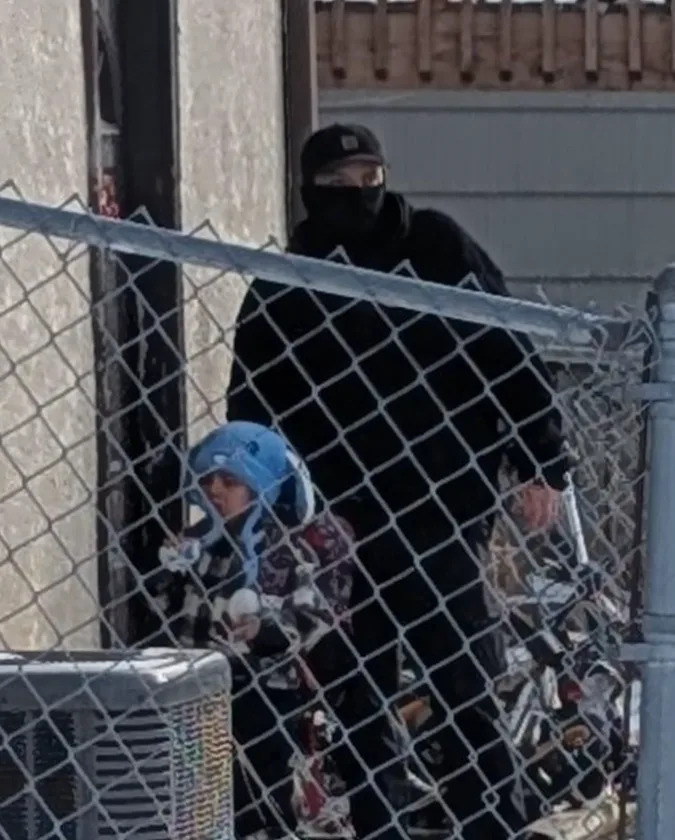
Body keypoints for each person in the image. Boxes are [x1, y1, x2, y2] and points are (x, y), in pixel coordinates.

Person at [226, 124, 570, 839]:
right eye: (338, 182)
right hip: (340, 525)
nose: (357, 192)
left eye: (367, 175)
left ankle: (488, 826)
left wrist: (543, 460)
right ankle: (381, 829)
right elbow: (252, 405)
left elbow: (505, 347)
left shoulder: (435, 248)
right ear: (308, 190)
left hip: (438, 511)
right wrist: (268, 509)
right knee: (359, 699)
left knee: (463, 690)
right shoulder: (288, 281)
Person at [148, 420, 354, 839]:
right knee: (199, 785)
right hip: (198, 684)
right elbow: (167, 609)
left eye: (230, 481)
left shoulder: (284, 547)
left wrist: (268, 630)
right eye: (208, 481)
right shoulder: (202, 542)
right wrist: (169, 571)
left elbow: (313, 614)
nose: (216, 491)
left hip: (263, 687)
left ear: (260, 486)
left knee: (262, 785)